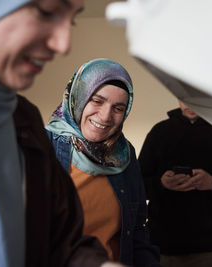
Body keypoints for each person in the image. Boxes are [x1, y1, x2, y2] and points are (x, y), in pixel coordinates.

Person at [0, 1, 118, 266]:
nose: (64, 45)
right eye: (46, 11)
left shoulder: (23, 119)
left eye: (72, 20)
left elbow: (61, 245)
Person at [46, 58, 161, 267]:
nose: (106, 116)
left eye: (118, 108)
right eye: (97, 101)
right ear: (78, 97)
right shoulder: (43, 146)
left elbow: (137, 232)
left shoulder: (124, 156)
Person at [138, 100, 212, 267]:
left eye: (194, 97)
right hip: (160, 248)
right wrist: (161, 184)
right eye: (183, 97)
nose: (189, 104)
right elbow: (135, 187)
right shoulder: (160, 132)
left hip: (209, 251)